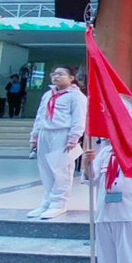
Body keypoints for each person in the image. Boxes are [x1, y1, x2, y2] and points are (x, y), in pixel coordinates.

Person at [28, 65, 87, 220]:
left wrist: (74, 138)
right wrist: (34, 137)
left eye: (60, 74)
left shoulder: (76, 96)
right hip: (45, 132)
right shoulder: (48, 94)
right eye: (54, 74)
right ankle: (47, 201)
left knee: (61, 170)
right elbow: (40, 116)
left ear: (71, 78)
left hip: (62, 133)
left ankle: (58, 203)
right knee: (45, 169)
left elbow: (79, 118)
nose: (56, 76)